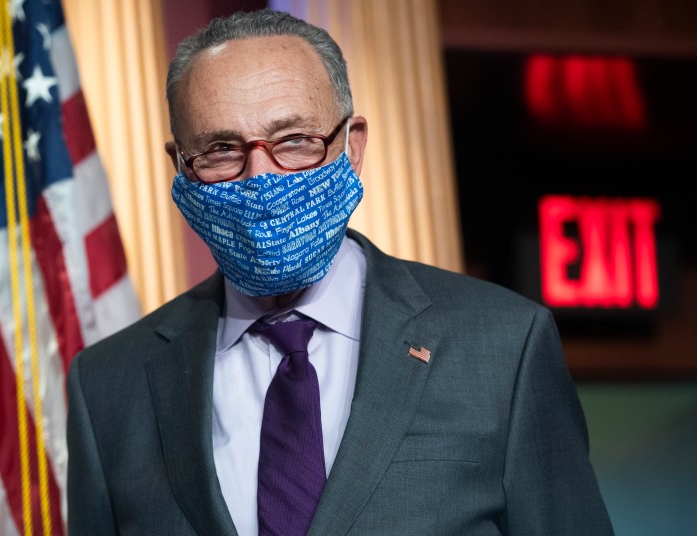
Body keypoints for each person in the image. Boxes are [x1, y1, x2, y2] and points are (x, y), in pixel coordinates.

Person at [66, 9, 614, 536]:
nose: (260, 178)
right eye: (220, 150)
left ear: (351, 148)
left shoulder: (502, 347)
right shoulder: (109, 385)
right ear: (180, 165)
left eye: (295, 141)